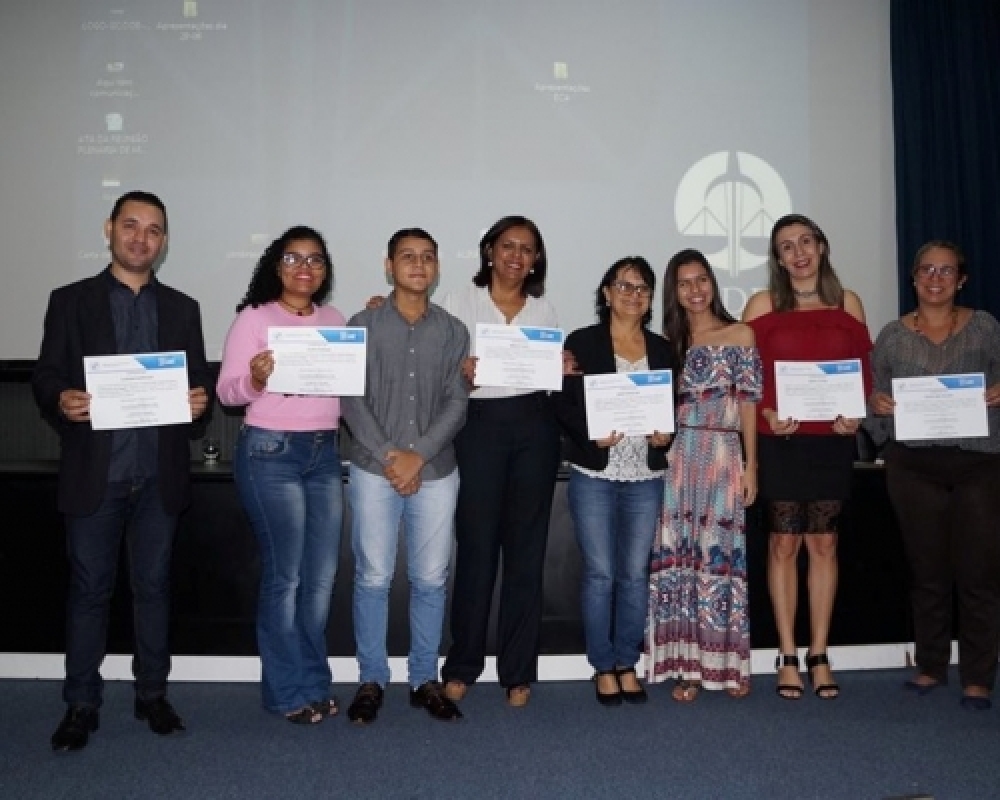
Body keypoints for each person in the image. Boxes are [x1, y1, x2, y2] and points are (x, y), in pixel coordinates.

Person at [32, 190, 211, 751]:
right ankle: (81, 704)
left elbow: (196, 382)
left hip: (158, 475)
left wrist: (197, 403)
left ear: (164, 241)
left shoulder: (183, 307)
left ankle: (152, 694)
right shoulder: (71, 300)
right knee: (89, 591)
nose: (141, 238)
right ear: (109, 230)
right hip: (96, 474)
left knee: (154, 588)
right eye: (131, 226)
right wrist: (61, 397)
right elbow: (46, 375)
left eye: (154, 229)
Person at [216, 226, 345, 724]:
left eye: (315, 259)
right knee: (286, 578)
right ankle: (286, 690)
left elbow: (346, 385)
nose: (305, 268)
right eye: (294, 258)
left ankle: (313, 682)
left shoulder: (334, 320)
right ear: (276, 265)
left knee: (320, 580)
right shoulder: (253, 317)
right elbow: (229, 392)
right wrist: (256, 377)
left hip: (325, 453)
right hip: (271, 452)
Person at [341, 228, 469, 724]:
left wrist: (418, 454)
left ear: (437, 268)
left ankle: (423, 679)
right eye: (407, 256)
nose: (418, 264)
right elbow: (350, 397)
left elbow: (458, 403)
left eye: (428, 257)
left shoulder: (454, 330)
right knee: (373, 578)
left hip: (436, 471)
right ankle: (371, 678)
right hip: (375, 469)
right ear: (389, 265)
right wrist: (393, 455)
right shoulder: (362, 322)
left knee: (431, 580)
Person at [742, 213, 872, 700]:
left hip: (831, 442)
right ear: (777, 259)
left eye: (805, 242)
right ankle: (787, 653)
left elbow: (864, 371)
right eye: (786, 247)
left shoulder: (849, 302)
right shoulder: (761, 304)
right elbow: (748, 381)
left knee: (824, 547)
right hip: (780, 441)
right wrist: (768, 415)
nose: (798, 253)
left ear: (821, 246)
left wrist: (855, 415)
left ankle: (819, 654)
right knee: (782, 546)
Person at [868, 240, 1000, 711]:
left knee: (979, 573)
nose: (936, 278)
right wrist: (878, 406)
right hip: (913, 465)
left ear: (961, 279)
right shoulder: (891, 335)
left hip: (979, 463)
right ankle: (930, 665)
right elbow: (873, 400)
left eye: (946, 271)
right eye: (927, 269)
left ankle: (979, 676)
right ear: (914, 278)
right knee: (927, 570)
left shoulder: (986, 328)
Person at [439, 216, 564, 708]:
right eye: (508, 245)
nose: (517, 255)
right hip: (480, 427)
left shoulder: (545, 309)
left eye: (527, 249)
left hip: (535, 426)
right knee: (475, 549)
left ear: (536, 259)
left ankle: (518, 672)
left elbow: (550, 375)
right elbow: (439, 372)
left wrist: (562, 366)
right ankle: (463, 664)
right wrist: (460, 373)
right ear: (489, 251)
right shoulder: (458, 303)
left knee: (526, 554)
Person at [555, 257, 676, 706]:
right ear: (606, 293)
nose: (633, 295)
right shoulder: (581, 342)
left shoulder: (662, 348)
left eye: (642, 288)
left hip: (645, 475)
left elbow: (671, 406)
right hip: (595, 473)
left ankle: (627, 661)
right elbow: (563, 406)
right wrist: (591, 432)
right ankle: (602, 665)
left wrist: (666, 433)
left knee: (634, 575)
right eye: (624, 286)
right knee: (601, 574)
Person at [646, 249, 761, 702]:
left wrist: (753, 465)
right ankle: (687, 669)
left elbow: (749, 403)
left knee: (721, 560)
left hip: (723, 454)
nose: (695, 290)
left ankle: (728, 666)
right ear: (673, 292)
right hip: (678, 459)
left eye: (702, 280)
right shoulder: (665, 345)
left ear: (712, 282)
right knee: (682, 563)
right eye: (684, 283)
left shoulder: (741, 333)